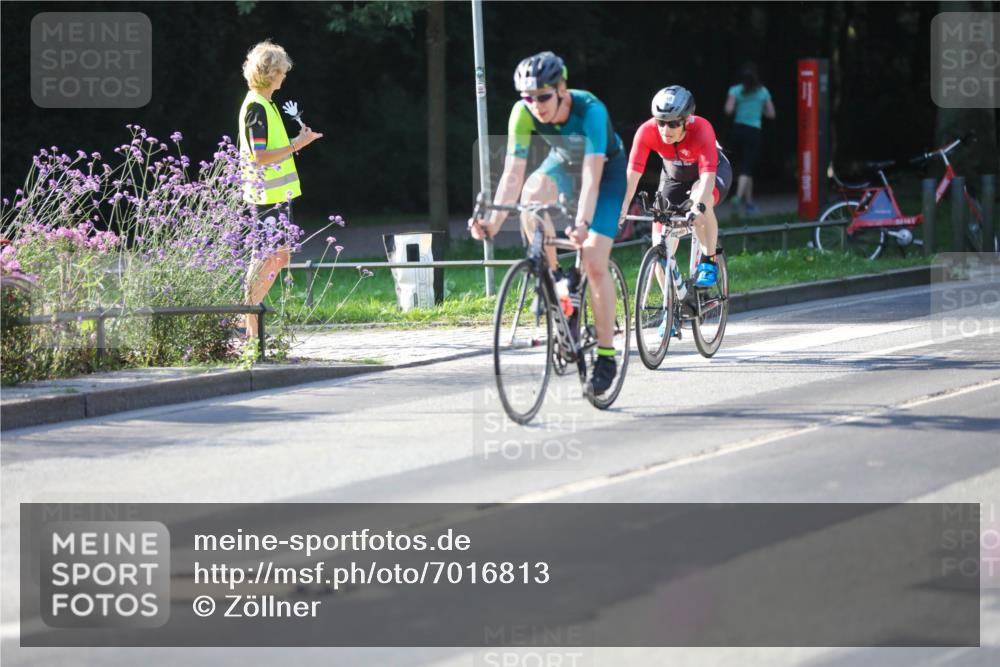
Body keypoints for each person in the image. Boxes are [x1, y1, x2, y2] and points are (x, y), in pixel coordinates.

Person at [469, 51, 627, 395]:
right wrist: (493, 223)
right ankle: (560, 285)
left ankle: (605, 356)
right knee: (531, 190)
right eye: (528, 97)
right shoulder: (522, 113)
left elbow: (591, 176)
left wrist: (583, 223)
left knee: (594, 261)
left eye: (543, 96)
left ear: (562, 88)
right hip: (563, 163)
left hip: (605, 173)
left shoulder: (591, 111)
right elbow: (511, 174)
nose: (535, 105)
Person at [619, 85, 732, 317]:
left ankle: (709, 260)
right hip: (674, 176)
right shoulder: (646, 131)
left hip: (709, 173)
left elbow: (708, 177)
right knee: (658, 242)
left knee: (701, 202)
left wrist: (697, 206)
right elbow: (633, 174)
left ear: (687, 120)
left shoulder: (702, 129)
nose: (665, 129)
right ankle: (671, 308)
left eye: (672, 123)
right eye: (661, 122)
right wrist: (622, 207)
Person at [238, 40, 322, 338]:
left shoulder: (265, 105)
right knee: (264, 257)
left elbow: (271, 150)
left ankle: (248, 315)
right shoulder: (256, 108)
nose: (284, 76)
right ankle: (247, 320)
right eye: (282, 71)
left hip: (275, 196)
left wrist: (295, 143)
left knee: (279, 257)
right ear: (270, 72)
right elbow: (259, 157)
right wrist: (297, 144)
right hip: (266, 198)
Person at [724, 63, 775, 216]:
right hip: (754, 131)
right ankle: (738, 198)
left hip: (738, 130)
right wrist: (760, 110)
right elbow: (771, 114)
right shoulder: (763, 92)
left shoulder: (735, 90)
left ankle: (749, 204)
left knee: (746, 168)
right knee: (747, 166)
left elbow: (728, 110)